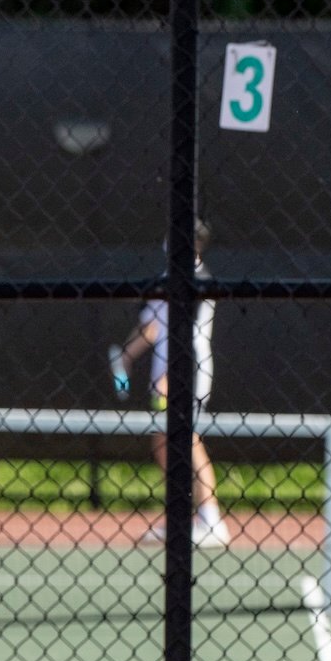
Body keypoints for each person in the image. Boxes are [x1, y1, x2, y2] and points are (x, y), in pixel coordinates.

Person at [109, 219, 230, 549]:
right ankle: (181, 517)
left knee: (187, 440)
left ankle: (211, 521)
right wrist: (127, 358)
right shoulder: (168, 279)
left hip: (188, 371)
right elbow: (152, 327)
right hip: (166, 372)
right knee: (163, 443)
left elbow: (184, 334)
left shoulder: (197, 280)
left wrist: (171, 376)